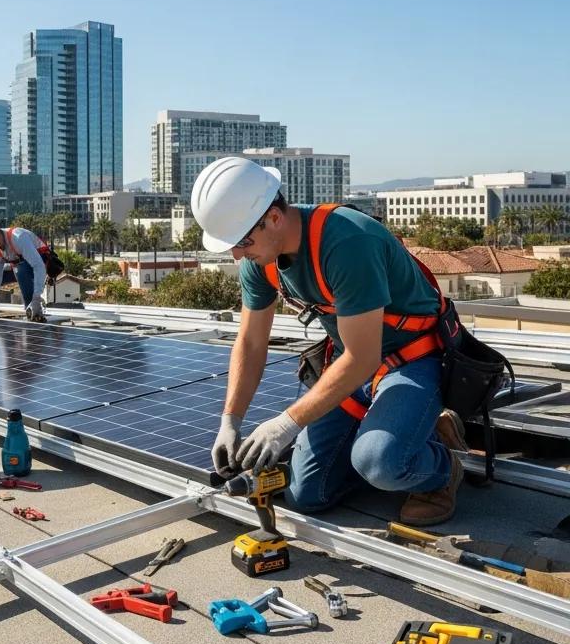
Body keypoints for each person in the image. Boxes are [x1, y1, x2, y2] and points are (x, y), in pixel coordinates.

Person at [192, 156, 465, 527]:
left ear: (273, 218)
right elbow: (252, 342)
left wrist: (286, 423)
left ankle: (441, 465)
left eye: (241, 241)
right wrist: (230, 420)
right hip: (352, 367)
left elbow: (363, 356)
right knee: (307, 494)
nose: (238, 254)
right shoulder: (261, 259)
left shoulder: (347, 242)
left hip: (412, 360)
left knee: (380, 463)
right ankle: (399, 435)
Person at [0, 214, 48, 320]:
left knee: (21, 270)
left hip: (40, 265)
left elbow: (38, 266)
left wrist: (37, 298)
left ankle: (34, 312)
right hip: (18, 268)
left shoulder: (18, 238)